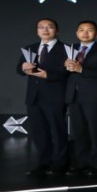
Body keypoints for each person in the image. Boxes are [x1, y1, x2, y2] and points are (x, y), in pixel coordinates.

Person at [17, 18, 69, 176]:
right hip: (34, 97)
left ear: (57, 30)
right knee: (39, 132)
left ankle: (60, 163)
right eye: (41, 27)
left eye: (49, 27)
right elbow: (19, 69)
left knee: (57, 131)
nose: (45, 30)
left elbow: (69, 72)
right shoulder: (30, 48)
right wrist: (23, 67)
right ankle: (43, 162)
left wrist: (48, 75)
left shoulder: (66, 49)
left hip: (55, 96)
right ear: (37, 31)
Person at [64, 20, 97, 177]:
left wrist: (82, 69)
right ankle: (81, 162)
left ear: (96, 34)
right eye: (81, 30)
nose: (85, 33)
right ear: (77, 33)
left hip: (93, 96)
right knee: (78, 132)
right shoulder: (70, 49)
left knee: (95, 131)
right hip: (73, 95)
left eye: (89, 30)